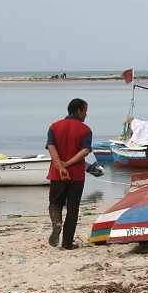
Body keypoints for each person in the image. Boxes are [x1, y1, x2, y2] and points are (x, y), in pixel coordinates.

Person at [46, 98, 93, 250]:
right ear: (78, 110)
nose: (86, 114)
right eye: (85, 111)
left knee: (55, 203)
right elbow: (85, 151)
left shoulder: (54, 126)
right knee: (73, 208)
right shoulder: (85, 130)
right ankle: (67, 243)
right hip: (76, 175)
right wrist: (68, 164)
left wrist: (60, 165)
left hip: (57, 173)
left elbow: (51, 147)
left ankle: (57, 223)